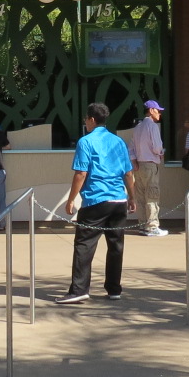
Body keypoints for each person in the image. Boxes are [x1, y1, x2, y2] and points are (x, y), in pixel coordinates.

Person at [57, 102, 136, 304]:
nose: (85, 121)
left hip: (96, 200)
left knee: (84, 244)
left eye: (86, 118)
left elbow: (81, 173)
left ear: (91, 119)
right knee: (116, 245)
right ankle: (114, 289)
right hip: (119, 199)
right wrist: (132, 197)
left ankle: (79, 290)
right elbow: (128, 173)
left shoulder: (85, 141)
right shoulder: (118, 141)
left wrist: (71, 199)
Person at [128, 99, 168, 236]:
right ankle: (152, 226)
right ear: (151, 110)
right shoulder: (152, 126)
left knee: (140, 195)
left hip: (138, 165)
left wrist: (134, 162)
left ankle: (142, 224)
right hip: (150, 164)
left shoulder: (138, 127)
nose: (159, 114)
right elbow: (157, 146)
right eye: (158, 111)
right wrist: (161, 152)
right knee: (152, 194)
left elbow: (131, 148)